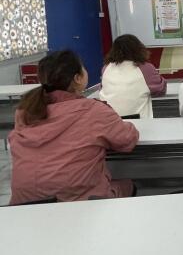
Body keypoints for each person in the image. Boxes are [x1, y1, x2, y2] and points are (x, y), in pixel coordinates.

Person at [9, 50, 139, 204]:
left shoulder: (25, 111)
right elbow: (127, 140)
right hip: (80, 202)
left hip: (25, 204)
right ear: (78, 78)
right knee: (127, 185)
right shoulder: (94, 110)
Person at [99, 34, 167, 118]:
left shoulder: (106, 68)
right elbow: (161, 90)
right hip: (139, 121)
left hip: (109, 119)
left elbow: (102, 88)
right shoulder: (145, 67)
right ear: (138, 48)